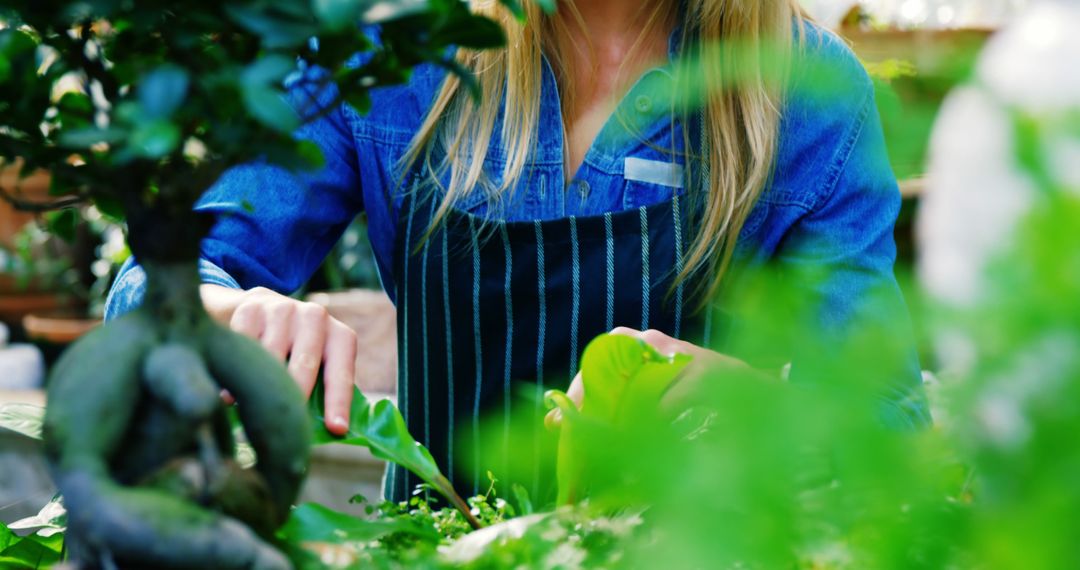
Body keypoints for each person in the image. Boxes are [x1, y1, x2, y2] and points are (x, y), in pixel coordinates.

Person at [106, 0, 930, 500]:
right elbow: (157, 283)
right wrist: (225, 311)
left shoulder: (809, 92)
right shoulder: (388, 54)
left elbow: (886, 427)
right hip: (435, 545)